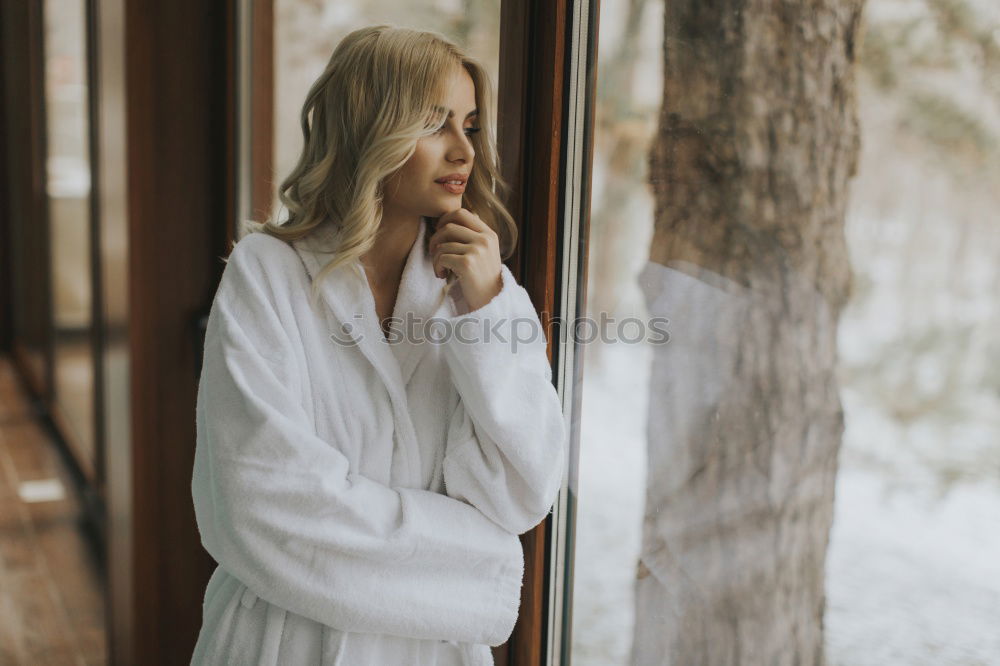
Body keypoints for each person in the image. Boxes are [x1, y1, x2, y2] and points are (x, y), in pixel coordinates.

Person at [190, 24, 566, 665]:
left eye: (470, 126)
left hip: (435, 651)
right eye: (433, 123)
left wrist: (486, 313)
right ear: (370, 126)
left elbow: (520, 492)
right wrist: (471, 559)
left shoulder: (478, 293)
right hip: (285, 643)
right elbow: (260, 505)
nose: (462, 151)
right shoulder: (265, 273)